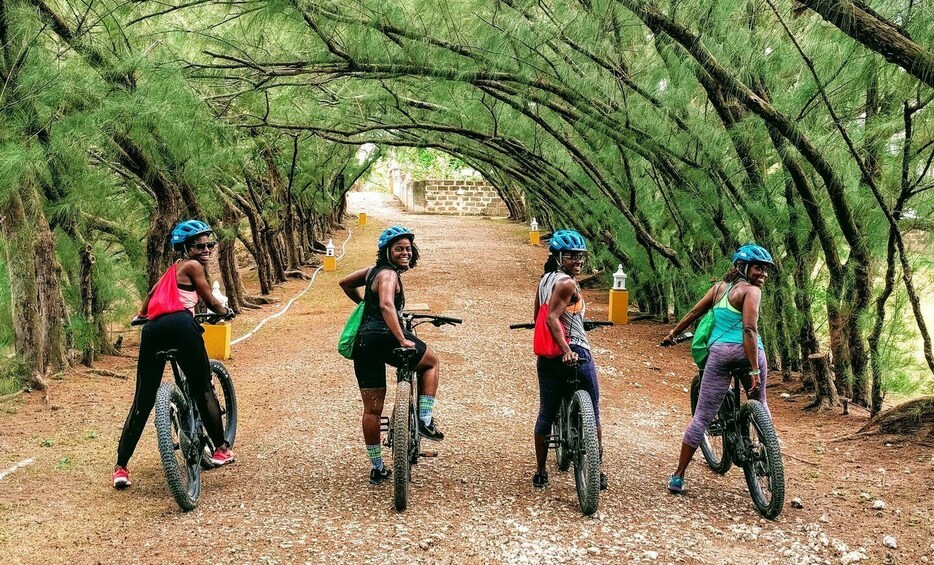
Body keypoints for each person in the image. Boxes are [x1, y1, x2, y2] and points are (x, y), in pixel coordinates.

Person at [113, 220, 236, 489]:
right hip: (182, 325)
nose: (206, 249)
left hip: (153, 331)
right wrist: (224, 311)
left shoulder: (170, 272)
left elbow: (148, 300)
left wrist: (140, 317)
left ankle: (121, 467)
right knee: (203, 388)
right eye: (199, 245)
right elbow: (211, 300)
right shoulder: (193, 267)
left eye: (209, 244)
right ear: (186, 248)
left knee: (142, 401)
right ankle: (221, 449)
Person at [661, 244, 775, 494]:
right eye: (758, 268)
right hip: (750, 354)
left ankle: (678, 476)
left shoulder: (718, 290)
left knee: (702, 416)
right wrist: (755, 370)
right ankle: (769, 459)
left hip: (721, 354)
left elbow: (693, 312)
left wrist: (673, 334)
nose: (763, 274)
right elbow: (749, 330)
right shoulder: (752, 291)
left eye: (766, 270)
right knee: (761, 404)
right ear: (742, 267)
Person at [339, 226, 444, 485]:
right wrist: (401, 338)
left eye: (408, 248)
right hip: (386, 338)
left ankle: (377, 466)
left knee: (372, 410)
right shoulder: (388, 275)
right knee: (431, 362)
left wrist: (364, 304)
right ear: (387, 251)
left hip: (364, 342)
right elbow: (387, 304)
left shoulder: (372, 271)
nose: (405, 252)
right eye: (399, 249)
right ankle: (424, 419)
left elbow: (345, 283)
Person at [531, 229, 607, 491]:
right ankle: (597, 470)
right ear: (558, 256)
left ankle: (541, 471)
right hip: (574, 350)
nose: (578, 261)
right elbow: (553, 318)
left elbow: (538, 317)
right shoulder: (567, 284)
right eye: (571, 256)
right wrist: (566, 348)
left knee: (546, 412)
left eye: (581, 256)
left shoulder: (545, 281)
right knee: (594, 412)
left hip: (547, 356)